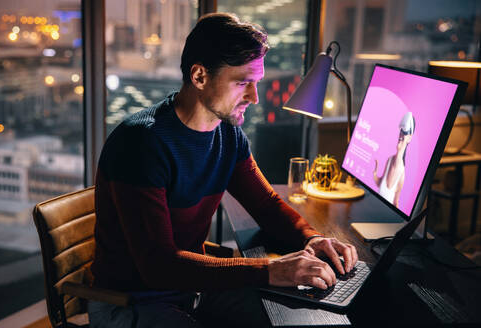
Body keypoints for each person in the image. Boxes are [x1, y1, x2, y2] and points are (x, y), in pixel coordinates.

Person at [88, 13, 358, 328]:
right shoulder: (141, 144)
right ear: (200, 76)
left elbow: (266, 205)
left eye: (256, 83)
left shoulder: (227, 136)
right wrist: (270, 270)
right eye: (243, 82)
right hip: (128, 302)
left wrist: (310, 238)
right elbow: (158, 266)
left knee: (293, 318)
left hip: (192, 289)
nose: (255, 97)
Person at [373, 112, 415, 207]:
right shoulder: (389, 160)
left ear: (409, 138)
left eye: (405, 133)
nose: (401, 134)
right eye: (401, 131)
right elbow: (380, 184)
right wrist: (375, 174)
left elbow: (396, 203)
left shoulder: (402, 175)